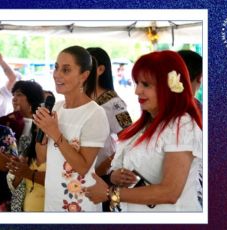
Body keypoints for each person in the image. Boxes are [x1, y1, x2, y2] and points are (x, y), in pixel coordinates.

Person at [85, 50, 203, 212]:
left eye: (146, 84)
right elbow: (122, 164)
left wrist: (110, 193)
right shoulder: (140, 127)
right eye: (137, 83)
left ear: (168, 86)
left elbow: (170, 192)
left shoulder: (181, 125)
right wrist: (114, 176)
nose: (137, 91)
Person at [33, 45, 110, 212]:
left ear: (84, 75)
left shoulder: (95, 114)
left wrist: (56, 134)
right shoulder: (56, 108)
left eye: (66, 70)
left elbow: (83, 168)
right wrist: (43, 134)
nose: (57, 75)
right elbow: (42, 159)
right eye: (56, 67)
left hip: (80, 201)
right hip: (53, 199)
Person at [86, 47, 132, 176]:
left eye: (86, 66)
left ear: (100, 70)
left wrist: (105, 166)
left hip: (101, 175)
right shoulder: (76, 98)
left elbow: (129, 139)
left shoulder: (114, 103)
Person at [2, 80, 47, 212]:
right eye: (13, 95)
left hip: (36, 187)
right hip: (14, 182)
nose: (14, 98)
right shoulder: (7, 122)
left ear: (32, 98)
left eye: (19, 94)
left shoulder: (42, 125)